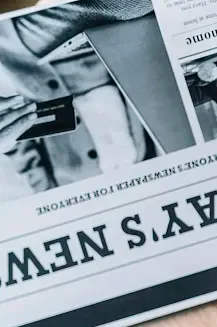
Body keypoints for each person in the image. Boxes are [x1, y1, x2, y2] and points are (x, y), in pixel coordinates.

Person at [0, 0, 154, 198]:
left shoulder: (56, 193)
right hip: (105, 46)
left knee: (133, 5)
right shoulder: (145, 158)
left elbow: (17, 145)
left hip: (47, 60)